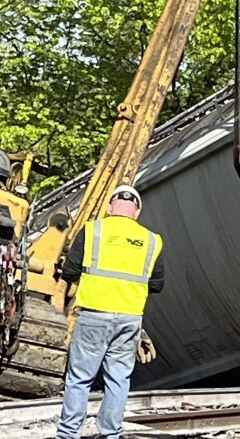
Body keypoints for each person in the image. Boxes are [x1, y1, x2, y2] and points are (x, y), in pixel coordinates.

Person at [56, 184, 165, 439]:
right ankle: (110, 435)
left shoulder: (93, 230)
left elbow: (69, 272)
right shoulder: (152, 240)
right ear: (136, 212)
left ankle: (68, 434)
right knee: (118, 379)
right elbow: (157, 284)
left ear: (108, 207)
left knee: (79, 379)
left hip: (94, 313)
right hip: (129, 319)